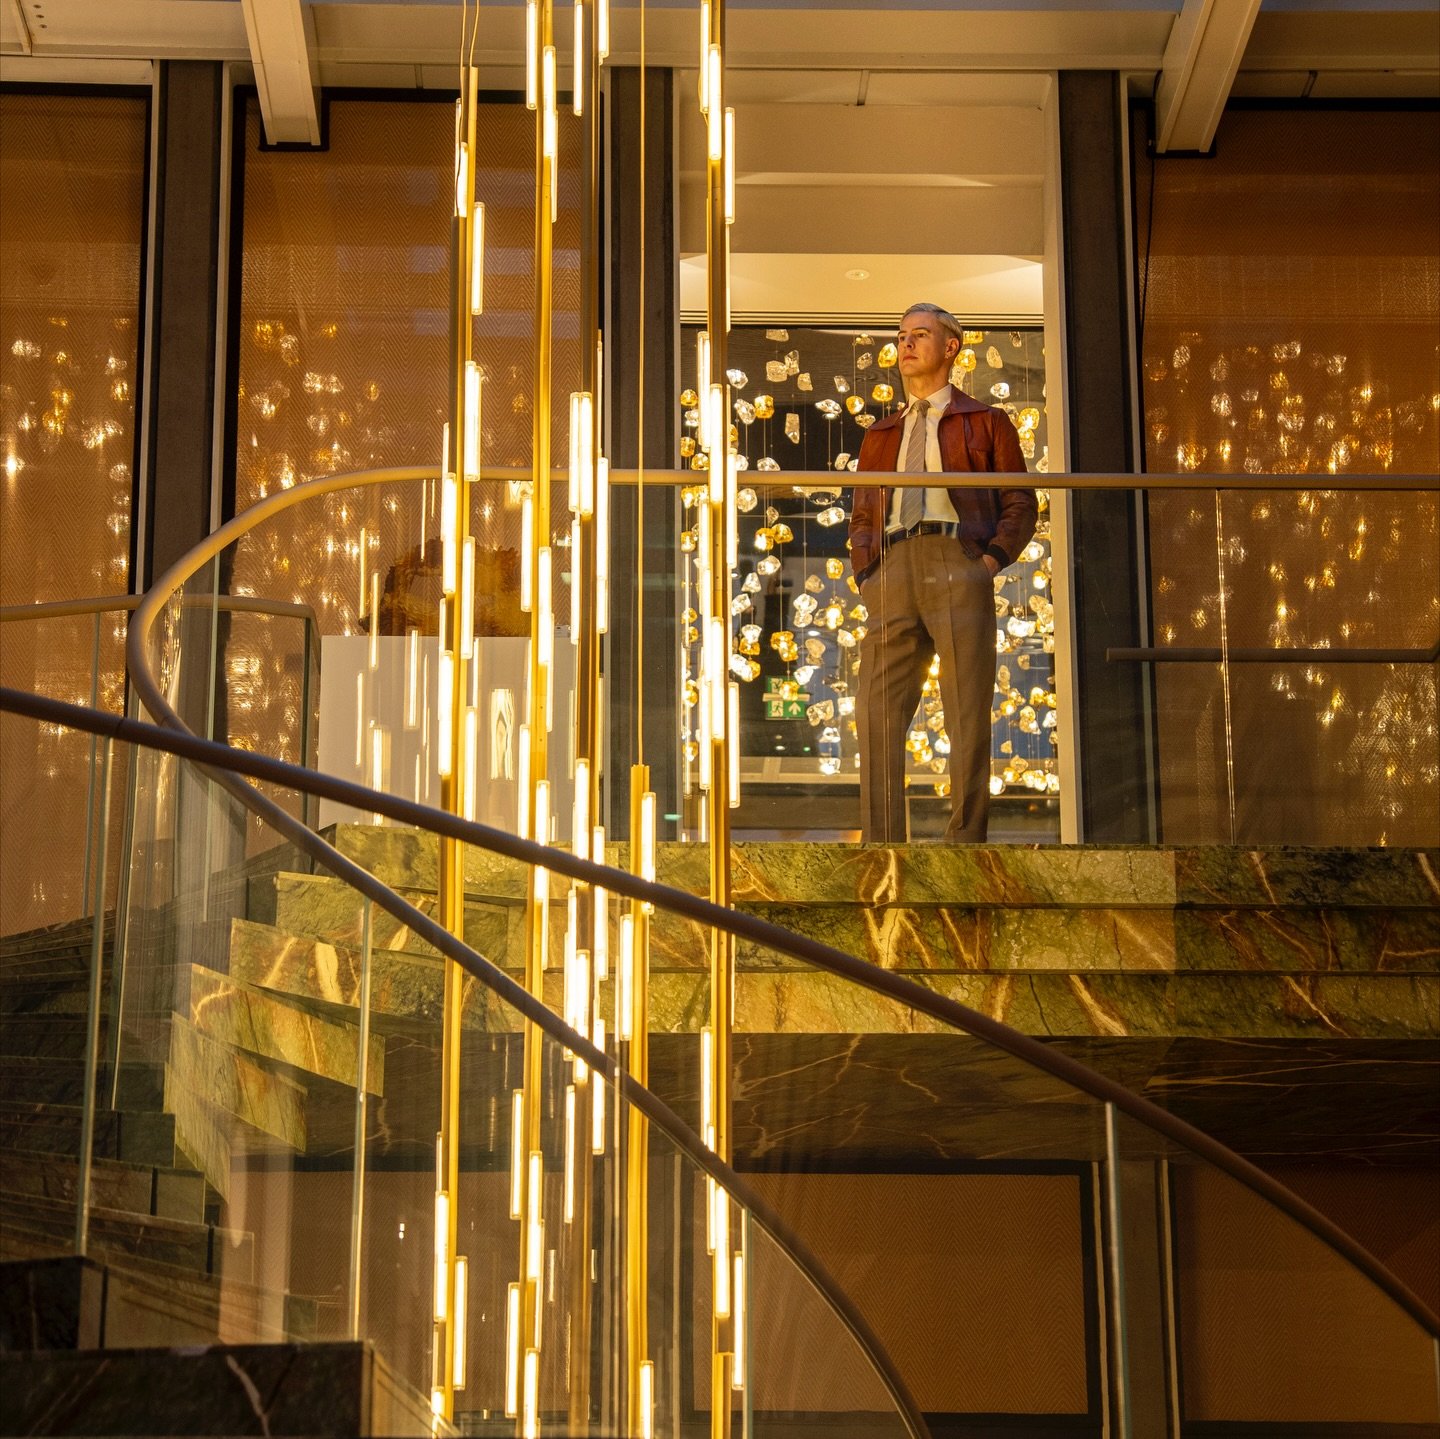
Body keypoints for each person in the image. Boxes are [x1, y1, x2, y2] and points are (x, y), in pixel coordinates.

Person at [849, 303, 1038, 843]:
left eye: (920, 335)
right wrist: (867, 571)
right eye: (902, 335)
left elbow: (1019, 501)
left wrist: (990, 562)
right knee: (875, 711)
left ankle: (966, 840)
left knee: (967, 708)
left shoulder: (986, 421)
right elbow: (864, 512)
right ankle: (883, 843)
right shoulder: (881, 433)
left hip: (959, 559)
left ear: (951, 347)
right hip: (893, 565)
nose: (906, 344)